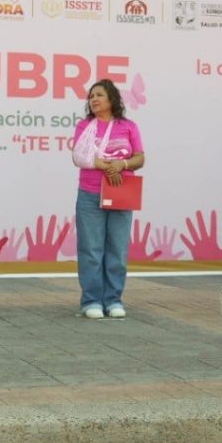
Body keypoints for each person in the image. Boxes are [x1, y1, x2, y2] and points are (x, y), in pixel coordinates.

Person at [72, 79, 145, 319]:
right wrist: (107, 167)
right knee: (92, 249)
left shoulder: (128, 126)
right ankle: (91, 300)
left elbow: (139, 158)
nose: (93, 99)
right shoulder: (85, 126)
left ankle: (114, 300)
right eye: (91, 96)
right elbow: (79, 157)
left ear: (112, 99)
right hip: (90, 194)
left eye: (99, 95)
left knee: (117, 249)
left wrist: (121, 164)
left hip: (121, 193)